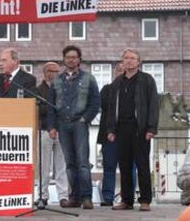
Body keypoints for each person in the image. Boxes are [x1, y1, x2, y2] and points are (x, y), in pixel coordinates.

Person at [47, 45, 100, 209]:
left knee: (83, 162)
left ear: (79, 59)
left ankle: (86, 197)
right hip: (62, 125)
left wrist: (85, 119)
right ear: (64, 60)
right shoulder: (56, 80)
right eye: (68, 57)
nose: (71, 60)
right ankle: (74, 197)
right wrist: (52, 126)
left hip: (79, 123)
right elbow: (51, 106)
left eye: (74, 57)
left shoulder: (88, 79)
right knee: (69, 163)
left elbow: (95, 102)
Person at [107, 48, 159, 212]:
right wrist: (111, 129)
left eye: (132, 58)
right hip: (122, 129)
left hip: (140, 130)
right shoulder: (117, 83)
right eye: (126, 58)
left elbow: (153, 105)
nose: (129, 61)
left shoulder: (147, 80)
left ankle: (145, 200)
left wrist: (151, 128)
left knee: (142, 165)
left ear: (139, 62)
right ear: (122, 61)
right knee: (124, 166)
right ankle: (126, 200)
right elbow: (110, 108)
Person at [34, 62, 68, 208]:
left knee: (61, 165)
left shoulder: (64, 88)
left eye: (56, 71)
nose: (54, 73)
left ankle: (63, 196)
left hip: (61, 130)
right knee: (44, 165)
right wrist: (52, 109)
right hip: (44, 130)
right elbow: (39, 110)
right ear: (45, 73)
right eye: (51, 71)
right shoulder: (38, 90)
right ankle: (43, 195)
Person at [97, 62, 125, 206]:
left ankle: (127, 197)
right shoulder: (107, 89)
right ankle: (108, 197)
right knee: (109, 167)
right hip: (109, 135)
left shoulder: (133, 89)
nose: (121, 72)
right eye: (118, 70)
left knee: (128, 168)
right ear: (115, 72)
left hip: (127, 135)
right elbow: (103, 107)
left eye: (123, 70)